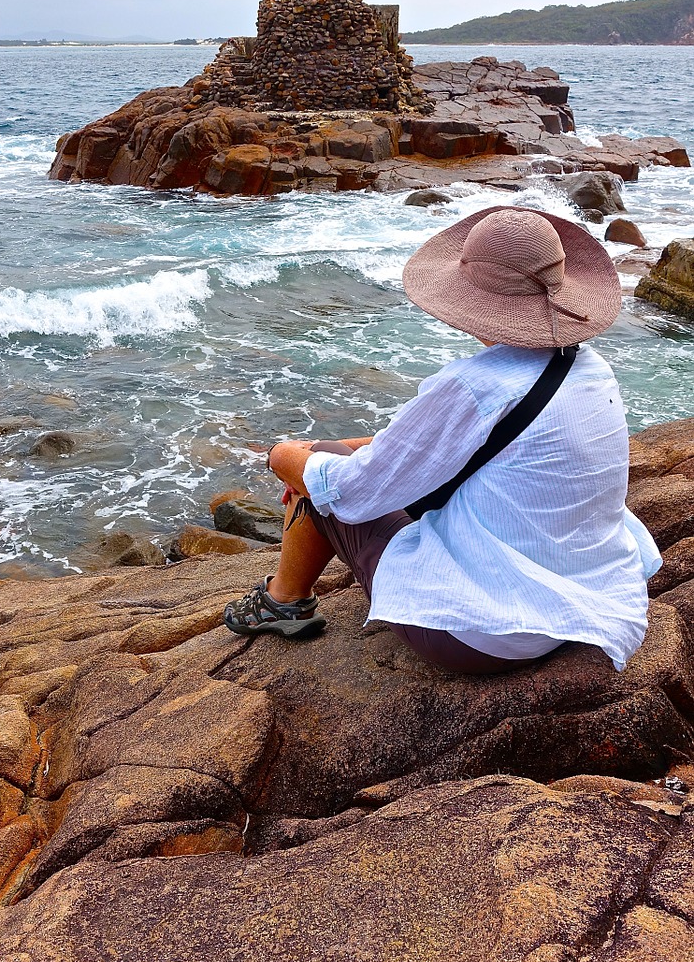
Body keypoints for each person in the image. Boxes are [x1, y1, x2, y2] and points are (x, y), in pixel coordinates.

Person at [223, 205, 661, 674]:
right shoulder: (590, 368)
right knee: (330, 459)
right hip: (584, 599)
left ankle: (283, 600)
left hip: (483, 632)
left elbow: (353, 494)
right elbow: (463, 442)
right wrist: (354, 449)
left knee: (319, 475)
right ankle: (287, 588)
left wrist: (282, 456)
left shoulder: (476, 385)